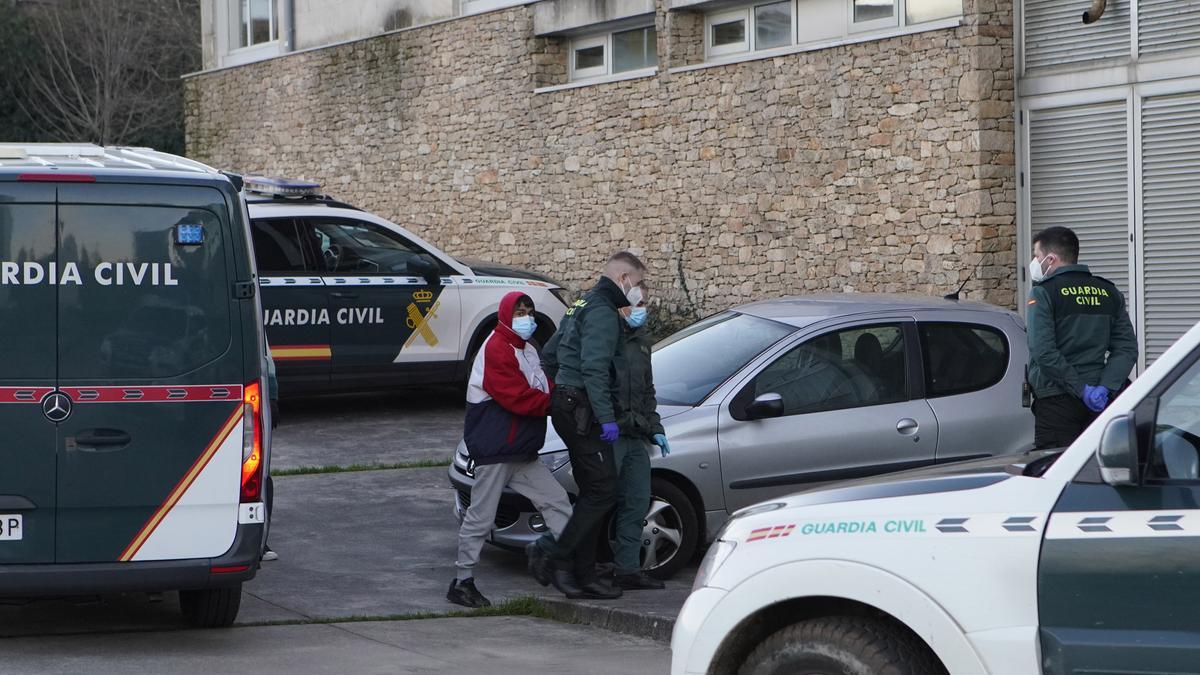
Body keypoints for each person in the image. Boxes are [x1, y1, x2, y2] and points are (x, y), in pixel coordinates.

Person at [527, 251, 647, 600]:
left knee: (595, 490)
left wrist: (558, 393)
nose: (638, 292)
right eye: (637, 284)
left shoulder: (580, 304)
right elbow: (595, 369)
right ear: (624, 278)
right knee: (603, 491)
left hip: (571, 404)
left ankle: (581, 574)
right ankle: (554, 555)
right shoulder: (604, 313)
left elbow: (549, 354)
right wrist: (606, 418)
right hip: (585, 408)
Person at [448, 291, 573, 608]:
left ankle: (559, 560)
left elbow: (543, 386)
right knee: (481, 517)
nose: (527, 317)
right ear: (506, 314)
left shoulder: (526, 349)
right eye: (520, 311)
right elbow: (515, 396)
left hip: (520, 450)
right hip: (498, 449)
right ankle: (462, 582)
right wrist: (557, 405)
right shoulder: (497, 348)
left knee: (558, 504)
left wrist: (559, 396)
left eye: (530, 311)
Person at [1026, 226, 1137, 450]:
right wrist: (1105, 387)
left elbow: (1043, 351)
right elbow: (1127, 349)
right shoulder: (1108, 292)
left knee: (1055, 469)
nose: (1034, 263)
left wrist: (1080, 389)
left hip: (1056, 400)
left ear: (1051, 258)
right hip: (1101, 401)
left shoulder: (1043, 292)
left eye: (1037, 256)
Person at [609, 286, 670, 591]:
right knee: (599, 502)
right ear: (620, 307)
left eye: (644, 303)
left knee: (636, 501)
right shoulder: (608, 340)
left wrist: (655, 427)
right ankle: (568, 562)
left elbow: (647, 391)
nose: (640, 309)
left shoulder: (643, 343)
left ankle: (627, 569)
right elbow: (599, 387)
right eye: (635, 303)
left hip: (635, 435)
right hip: (611, 434)